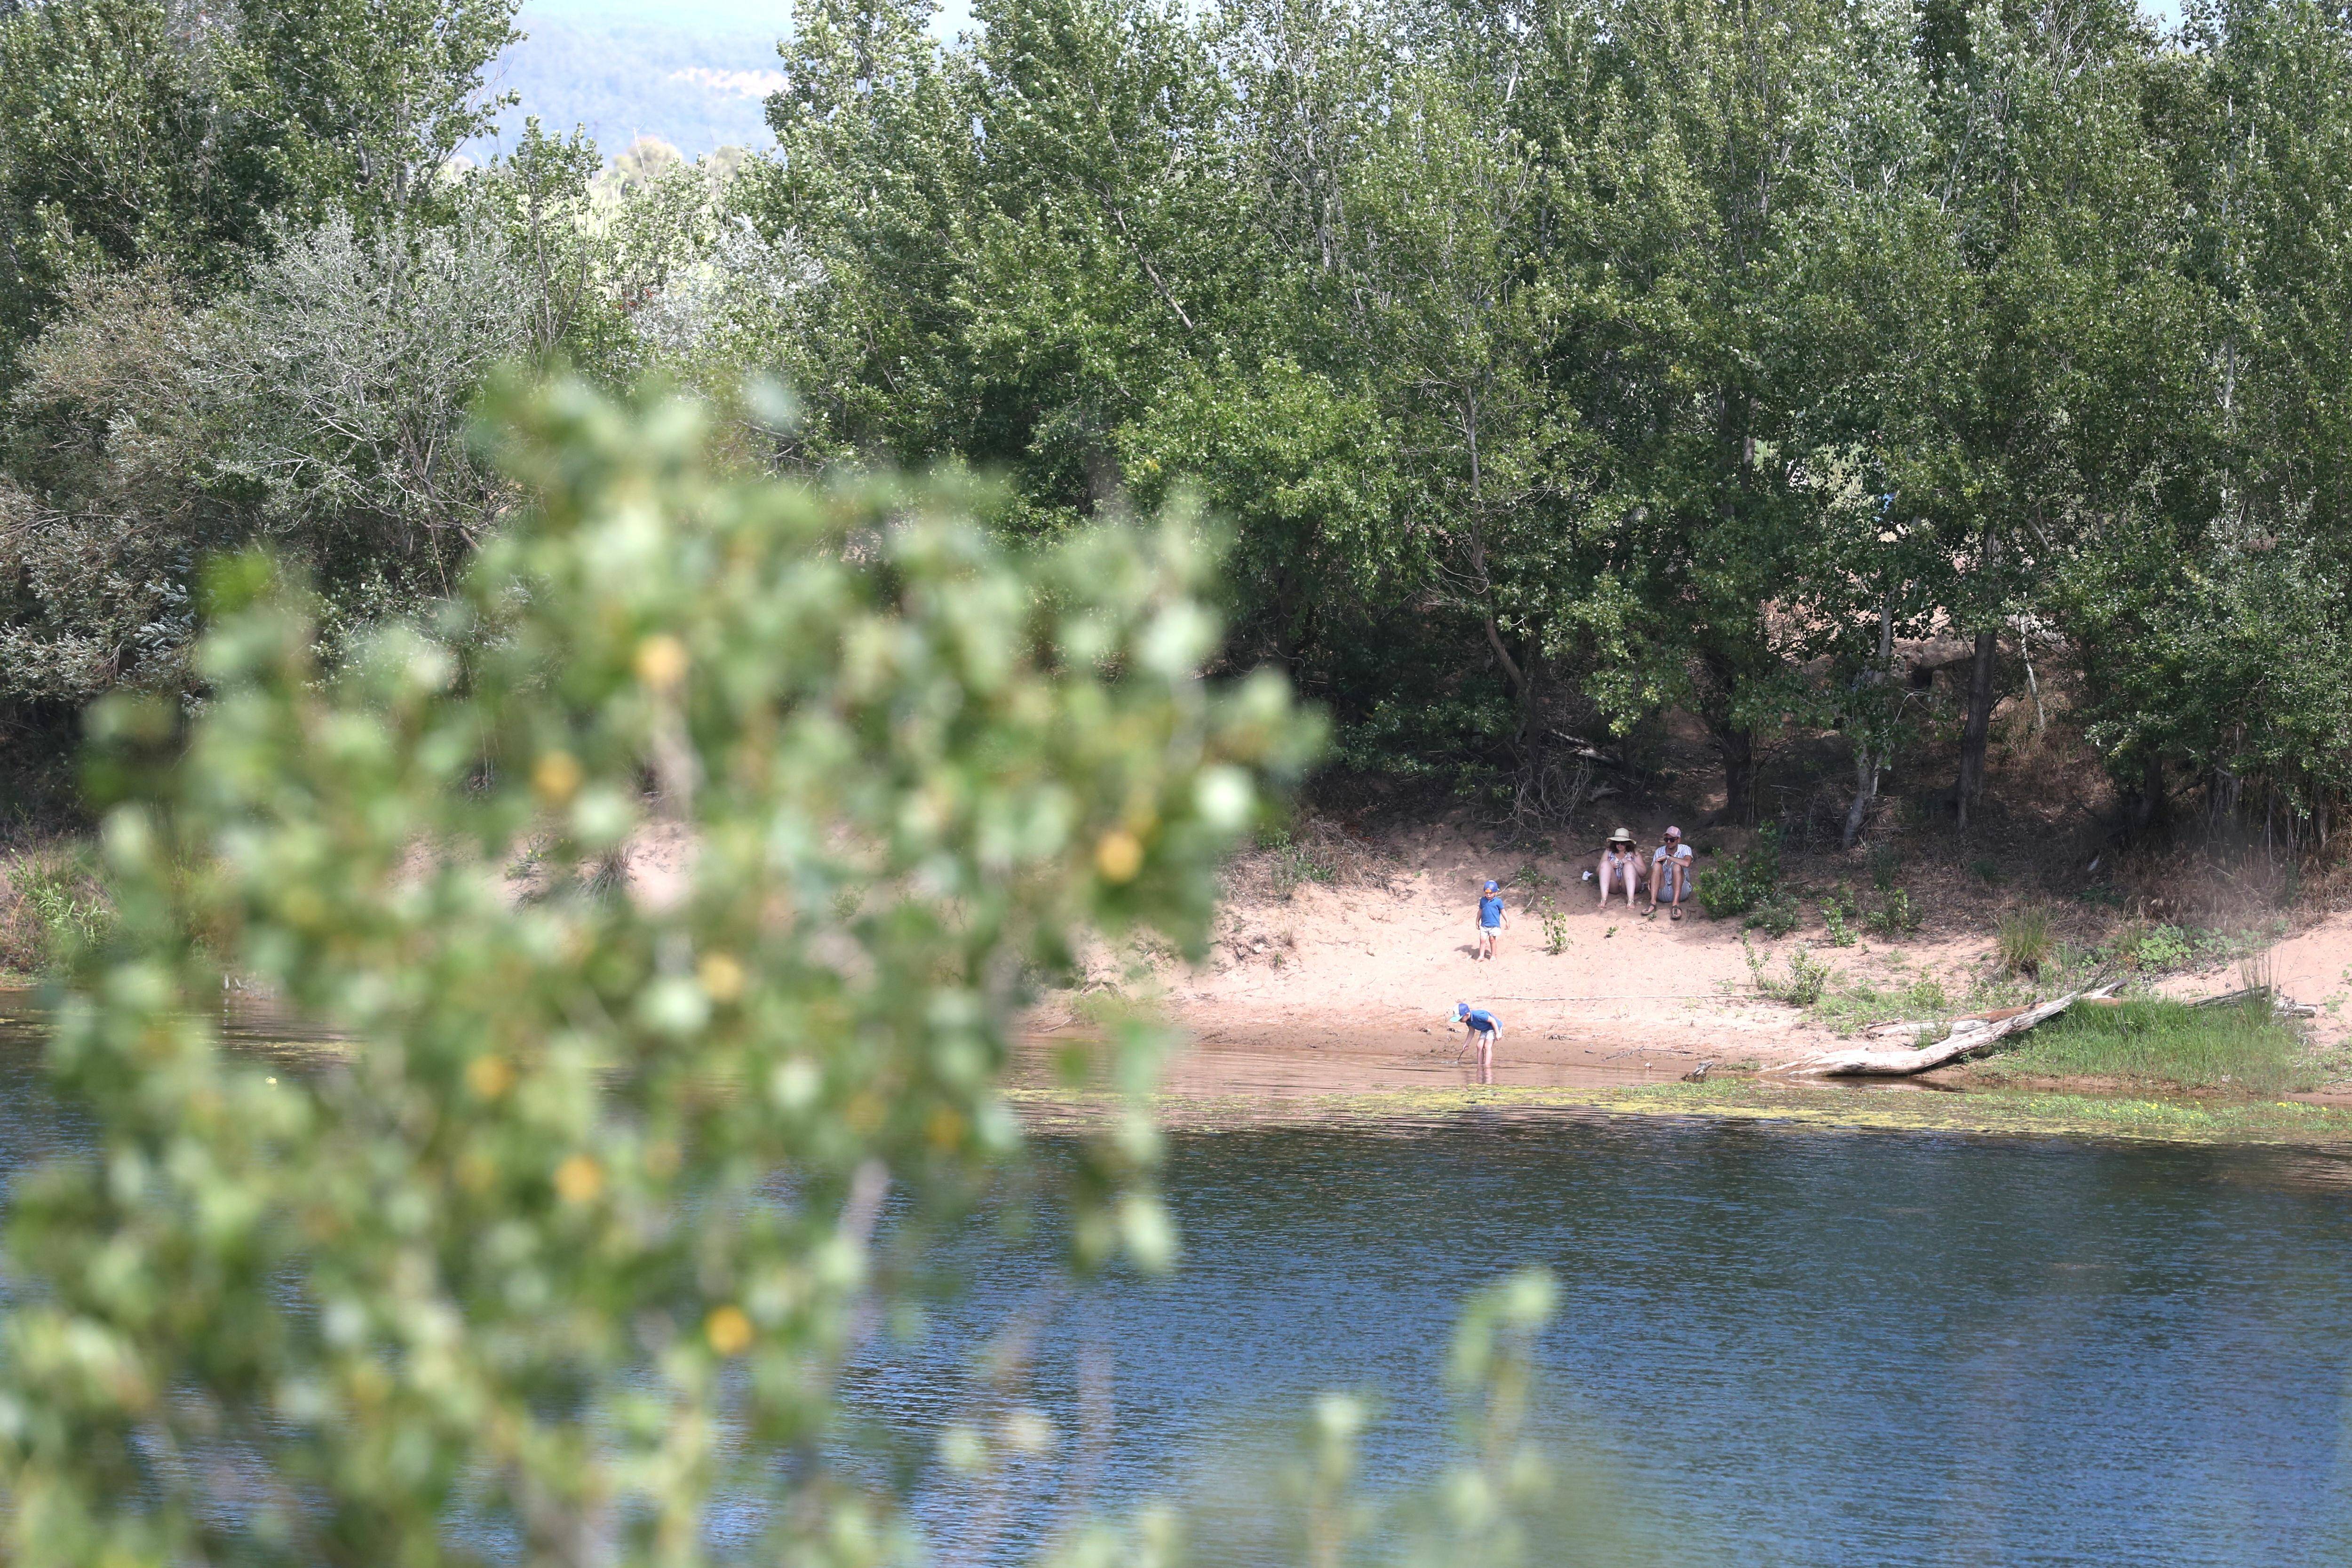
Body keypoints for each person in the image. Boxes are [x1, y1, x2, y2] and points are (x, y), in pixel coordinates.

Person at [1649, 825, 1695, 920]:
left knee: (1677, 867)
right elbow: (1654, 871)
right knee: (1657, 866)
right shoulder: (1659, 851)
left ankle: (1675, 904)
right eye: (1667, 839)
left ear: (1679, 840)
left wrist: (1668, 857)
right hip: (1663, 890)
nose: (1669, 842)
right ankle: (1653, 903)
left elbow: (1687, 863)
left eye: (1672, 840)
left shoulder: (1685, 849)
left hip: (1682, 890)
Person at [1596, 828, 1645, 907]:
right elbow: (1598, 871)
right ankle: (1603, 900)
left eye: (1623, 843)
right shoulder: (1609, 851)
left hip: (1630, 885)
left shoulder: (1634, 853)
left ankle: (1631, 901)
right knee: (1605, 864)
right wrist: (1609, 865)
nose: (1619, 845)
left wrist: (1632, 863)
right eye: (1617, 843)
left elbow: (1643, 872)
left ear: (1628, 843)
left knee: (1629, 866)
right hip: (1614, 885)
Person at [1455, 1001, 1502, 1077]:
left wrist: (1497, 1033)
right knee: (1479, 1046)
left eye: (1460, 1019)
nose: (1460, 1021)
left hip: (1494, 1028)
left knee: (1487, 1046)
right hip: (1485, 1029)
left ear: (1467, 1015)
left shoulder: (1479, 1016)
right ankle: (1480, 1066)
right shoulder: (1468, 1021)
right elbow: (1471, 1031)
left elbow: (1493, 1021)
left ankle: (1487, 1068)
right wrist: (1467, 1044)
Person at [1474, 879, 1507, 958]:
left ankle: (1493, 956)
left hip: (1494, 925)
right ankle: (1481, 956)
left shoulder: (1498, 901)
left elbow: (1503, 911)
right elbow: (1481, 911)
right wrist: (1477, 920)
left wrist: (1507, 921)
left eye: (1491, 893)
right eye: (1487, 893)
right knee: (1482, 940)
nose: (1488, 895)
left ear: (1496, 893)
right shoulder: (1483, 901)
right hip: (1484, 925)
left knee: (1492, 940)